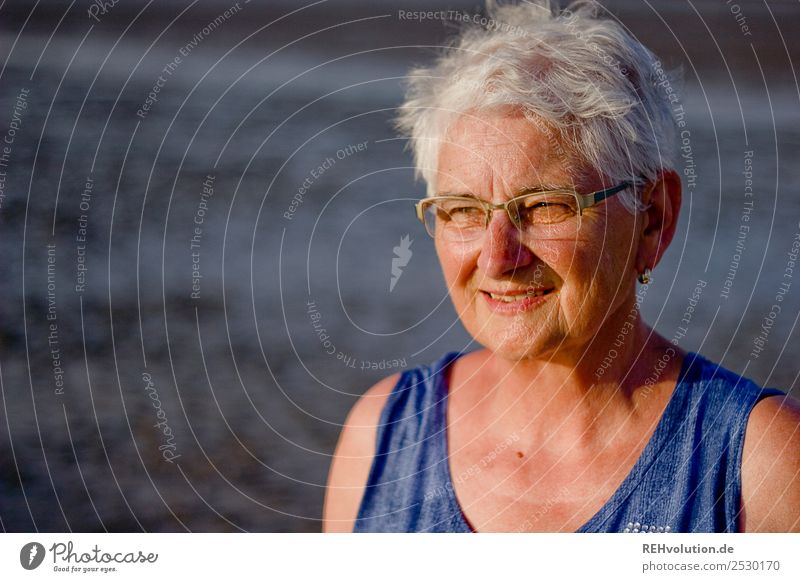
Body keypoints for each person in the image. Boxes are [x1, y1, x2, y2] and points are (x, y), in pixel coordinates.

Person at [323, 0, 800, 532]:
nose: (498, 257)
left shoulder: (759, 466)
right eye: (463, 210)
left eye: (545, 206)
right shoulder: (381, 438)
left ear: (652, 219)